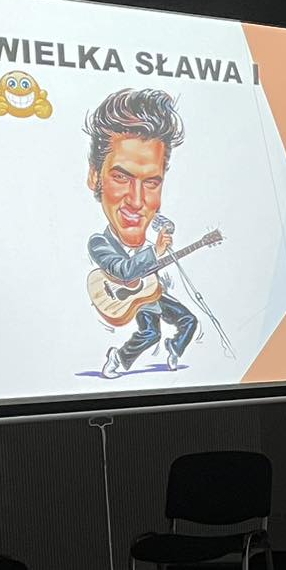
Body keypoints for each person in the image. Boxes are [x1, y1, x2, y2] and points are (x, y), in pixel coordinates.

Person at [85, 88, 199, 378]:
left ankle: (175, 348)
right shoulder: (99, 243)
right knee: (150, 333)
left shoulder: (149, 232)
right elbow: (124, 271)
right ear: (95, 177)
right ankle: (118, 359)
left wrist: (167, 233)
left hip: (151, 293)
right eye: (121, 177)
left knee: (189, 321)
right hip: (132, 298)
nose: (137, 201)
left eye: (151, 183)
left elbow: (160, 223)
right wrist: (156, 252)